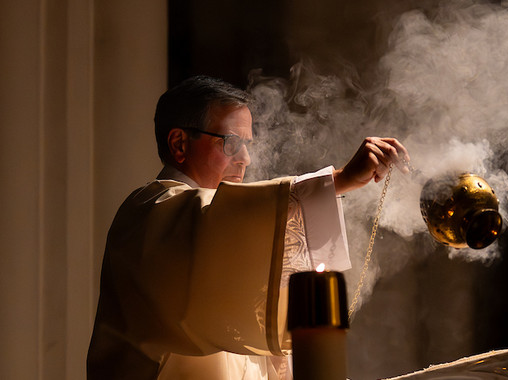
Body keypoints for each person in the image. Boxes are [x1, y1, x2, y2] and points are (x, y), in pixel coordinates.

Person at [87, 75, 410, 379]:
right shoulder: (150, 213)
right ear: (179, 144)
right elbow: (216, 222)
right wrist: (338, 181)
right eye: (230, 143)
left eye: (247, 144)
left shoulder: (227, 228)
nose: (245, 159)